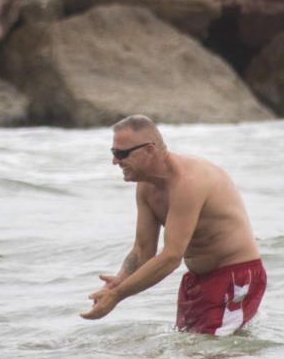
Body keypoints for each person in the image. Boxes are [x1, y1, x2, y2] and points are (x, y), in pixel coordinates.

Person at [80, 115, 266, 335]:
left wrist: (117, 296)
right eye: (113, 153)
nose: (115, 161)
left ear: (149, 150)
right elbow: (143, 249)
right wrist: (117, 283)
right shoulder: (146, 187)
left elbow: (171, 258)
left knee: (211, 357)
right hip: (196, 281)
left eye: (121, 154)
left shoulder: (188, 182)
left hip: (234, 277)